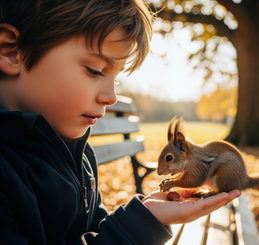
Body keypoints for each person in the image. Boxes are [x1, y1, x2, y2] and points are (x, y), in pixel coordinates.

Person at [0, 0, 241, 244]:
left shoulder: (79, 156)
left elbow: (92, 229)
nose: (111, 97)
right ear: (12, 51)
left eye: (115, 79)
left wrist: (143, 216)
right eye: (94, 70)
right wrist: (138, 229)